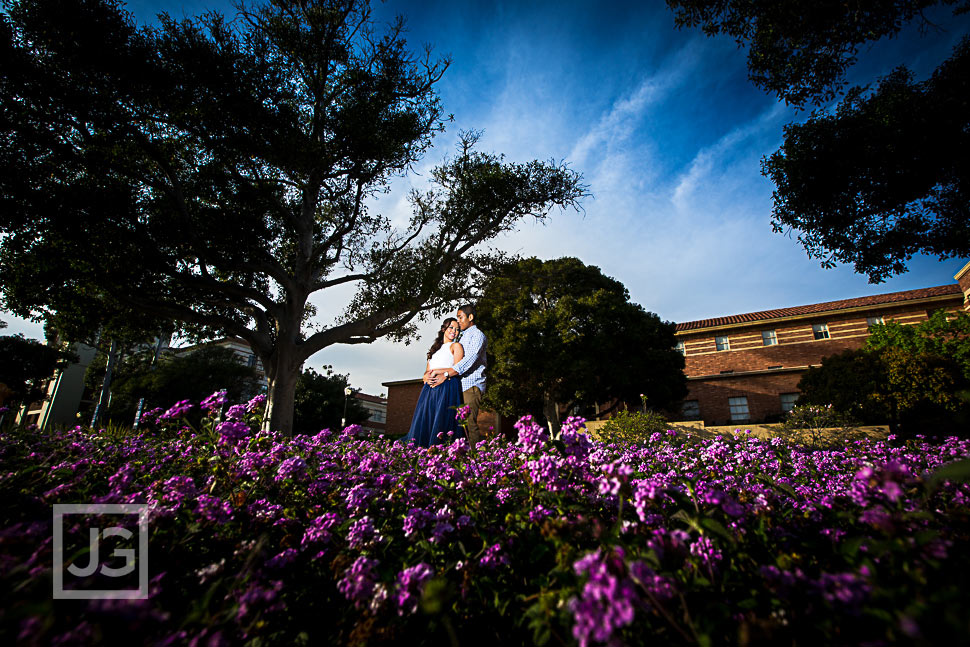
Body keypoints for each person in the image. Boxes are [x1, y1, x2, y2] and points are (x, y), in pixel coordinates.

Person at [401, 318, 465, 447]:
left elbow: (458, 369)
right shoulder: (435, 350)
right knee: (426, 420)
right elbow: (426, 372)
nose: (454, 331)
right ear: (443, 329)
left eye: (457, 329)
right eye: (451, 327)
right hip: (429, 390)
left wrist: (438, 372)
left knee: (442, 421)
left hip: (447, 387)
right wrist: (426, 377)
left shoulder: (456, 346)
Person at [429, 304, 486, 443]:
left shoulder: (477, 335)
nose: (458, 321)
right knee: (458, 425)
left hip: (471, 385)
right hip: (459, 386)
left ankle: (478, 459)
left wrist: (446, 374)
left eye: (460, 317)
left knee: (469, 423)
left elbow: (469, 360)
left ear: (470, 317)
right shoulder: (462, 337)